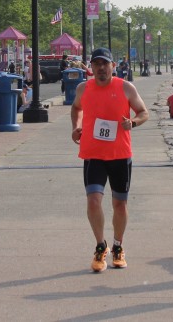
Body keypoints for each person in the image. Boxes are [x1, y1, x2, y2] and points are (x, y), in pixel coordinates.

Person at [70, 47, 149, 273]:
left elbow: (144, 112)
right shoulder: (83, 88)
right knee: (93, 201)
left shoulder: (126, 87)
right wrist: (76, 127)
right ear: (91, 67)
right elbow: (76, 108)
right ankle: (100, 246)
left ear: (113, 66)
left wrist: (133, 123)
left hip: (119, 155)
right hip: (93, 154)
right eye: (97, 64)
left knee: (119, 204)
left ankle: (117, 246)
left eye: (105, 64)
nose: (101, 68)